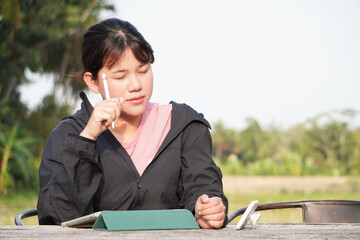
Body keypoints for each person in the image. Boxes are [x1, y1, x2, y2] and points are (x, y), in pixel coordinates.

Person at [37, 18, 228, 229]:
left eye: (143, 70)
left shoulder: (184, 125)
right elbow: (55, 217)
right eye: (120, 76)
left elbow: (203, 186)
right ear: (93, 81)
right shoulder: (68, 136)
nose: (136, 85)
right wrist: (87, 140)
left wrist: (207, 208)